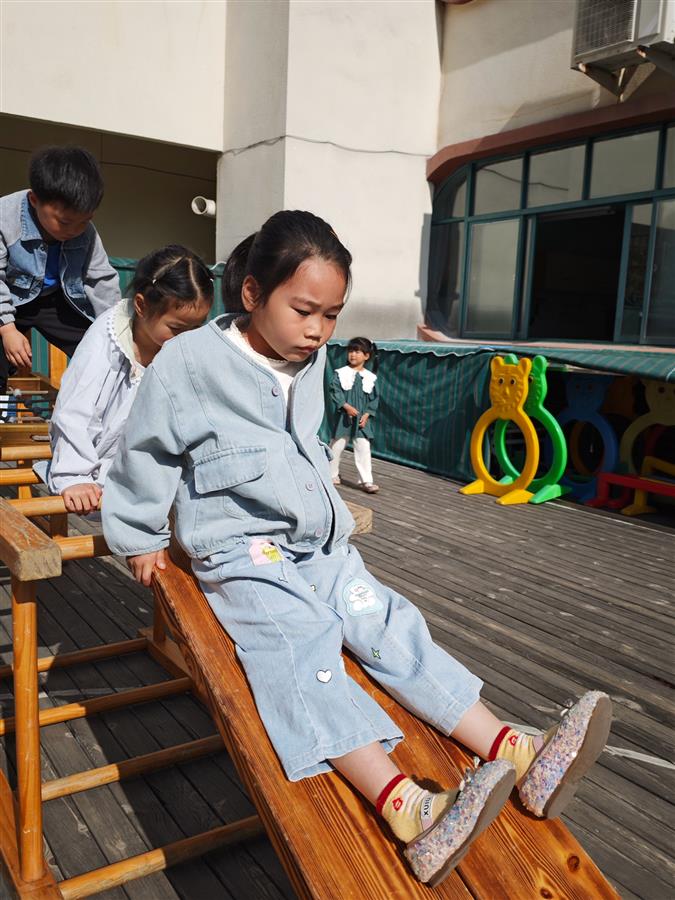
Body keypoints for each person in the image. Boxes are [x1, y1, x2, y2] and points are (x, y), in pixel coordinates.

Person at [102, 211, 611, 887]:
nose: (318, 329)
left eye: (332, 315)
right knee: (298, 644)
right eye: (303, 310)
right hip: (240, 549)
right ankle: (408, 810)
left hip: (316, 541)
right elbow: (146, 452)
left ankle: (513, 748)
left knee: (387, 621)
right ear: (252, 293)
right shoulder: (190, 362)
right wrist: (140, 537)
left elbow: (305, 444)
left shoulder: (310, 360)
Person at [46, 246, 213, 514]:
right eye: (177, 328)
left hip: (145, 468)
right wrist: (74, 475)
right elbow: (76, 410)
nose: (187, 338)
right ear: (141, 305)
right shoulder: (107, 339)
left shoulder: (184, 350)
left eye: (197, 328)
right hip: (93, 462)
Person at [0, 145, 120, 394]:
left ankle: (95, 402)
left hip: (56, 300)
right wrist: (8, 328)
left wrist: (116, 330)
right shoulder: (5, 218)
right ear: (34, 200)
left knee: (101, 349)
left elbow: (101, 279)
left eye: (84, 221)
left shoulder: (86, 233)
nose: (75, 230)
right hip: (8, 298)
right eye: (65, 222)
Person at [329, 336, 380, 493]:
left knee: (363, 447)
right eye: (351, 351)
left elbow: (374, 399)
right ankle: (330, 474)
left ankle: (366, 481)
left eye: (357, 352)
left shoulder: (371, 377)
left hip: (361, 420)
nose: (353, 355)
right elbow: (335, 391)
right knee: (337, 446)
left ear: (366, 356)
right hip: (344, 417)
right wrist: (346, 406)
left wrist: (367, 414)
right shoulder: (341, 373)